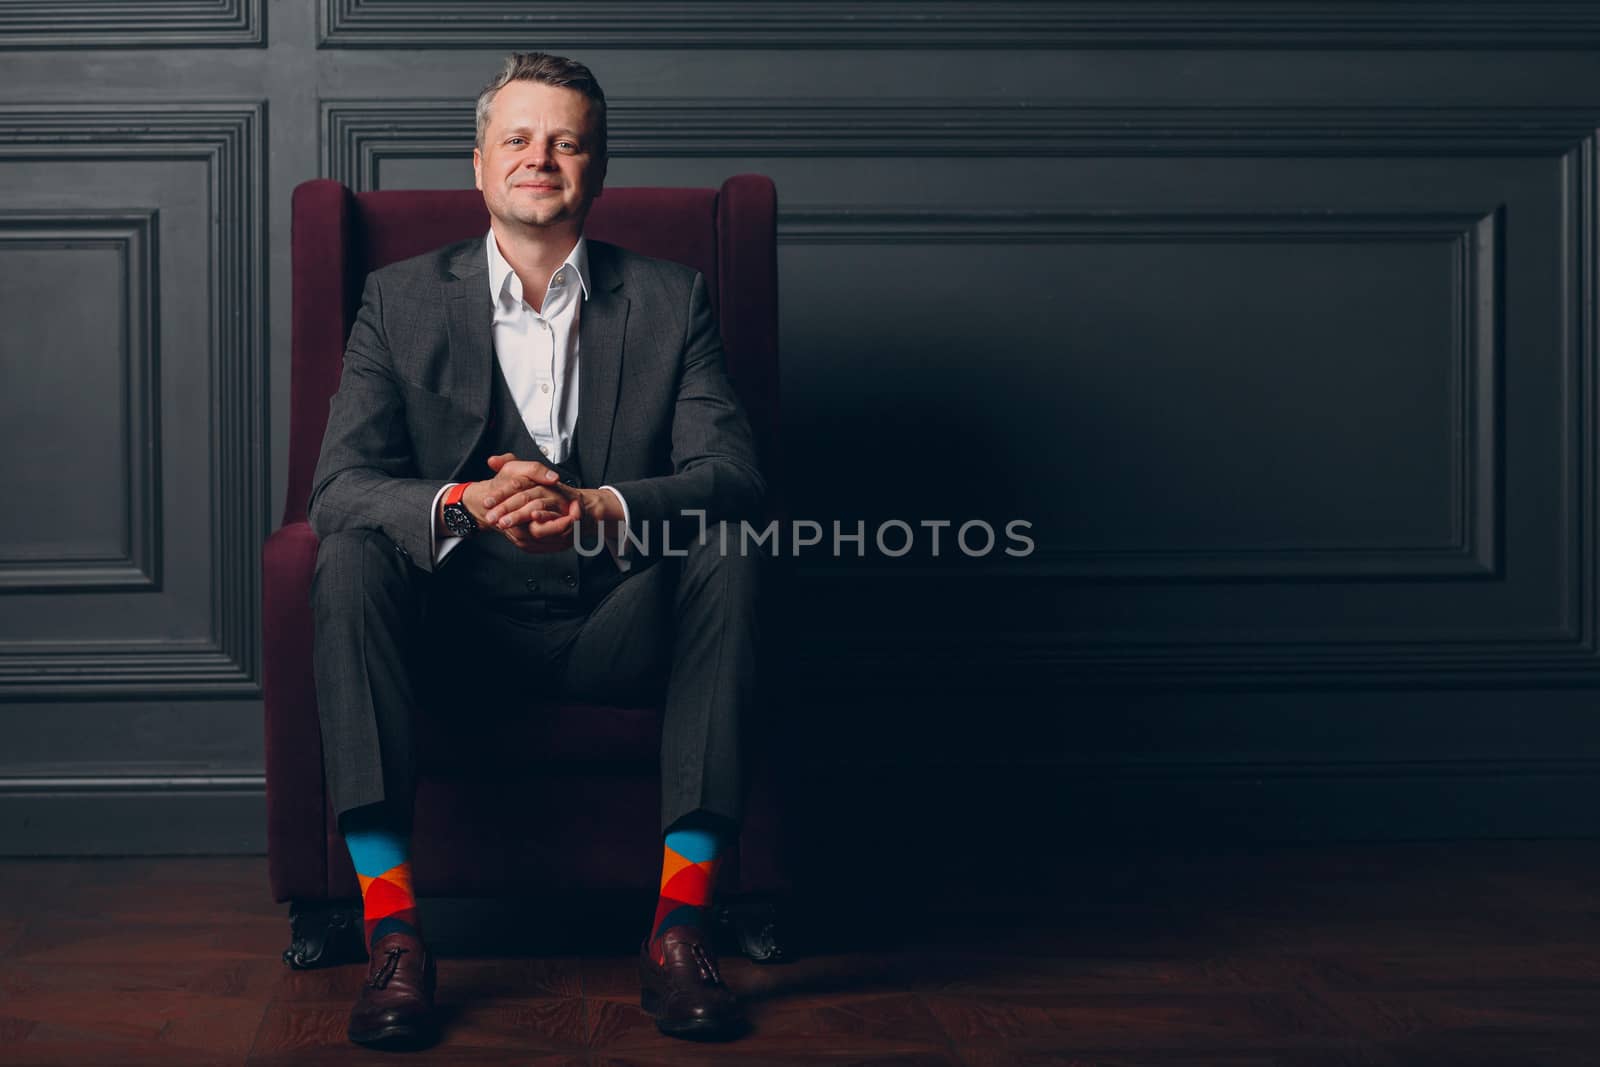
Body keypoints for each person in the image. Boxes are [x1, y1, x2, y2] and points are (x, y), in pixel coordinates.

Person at [306, 51, 765, 1047]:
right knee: (344, 550)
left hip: (614, 617)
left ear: (596, 171)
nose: (539, 158)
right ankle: (392, 931)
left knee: (730, 543)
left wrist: (601, 503)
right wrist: (466, 502)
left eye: (566, 142)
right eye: (517, 139)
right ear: (479, 165)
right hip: (453, 622)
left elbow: (733, 472)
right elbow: (339, 486)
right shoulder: (398, 298)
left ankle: (681, 923)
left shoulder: (670, 297)